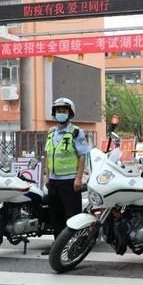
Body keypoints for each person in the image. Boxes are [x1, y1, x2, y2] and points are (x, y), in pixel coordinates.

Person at [42, 97, 90, 255]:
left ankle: (74, 247)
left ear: (70, 113)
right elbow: (48, 155)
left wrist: (78, 178)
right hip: (54, 182)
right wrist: (47, 176)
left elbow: (82, 155)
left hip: (70, 181)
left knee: (72, 216)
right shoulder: (50, 133)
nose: (60, 114)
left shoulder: (76, 132)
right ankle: (57, 246)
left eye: (64, 111)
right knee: (55, 216)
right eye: (58, 111)